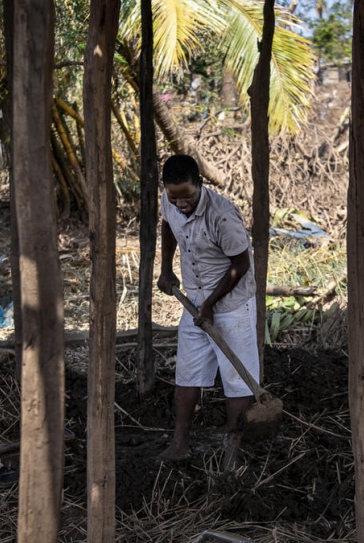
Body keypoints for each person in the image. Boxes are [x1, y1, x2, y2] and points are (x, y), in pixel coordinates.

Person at [156, 154, 260, 466]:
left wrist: (212, 305)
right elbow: (167, 223)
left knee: (236, 380)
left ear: (200, 185)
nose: (181, 203)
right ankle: (180, 444)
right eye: (175, 196)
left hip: (231, 306)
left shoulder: (223, 217)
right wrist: (165, 269)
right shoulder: (169, 199)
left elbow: (240, 265)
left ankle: (233, 454)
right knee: (186, 375)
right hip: (195, 301)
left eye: (187, 195)